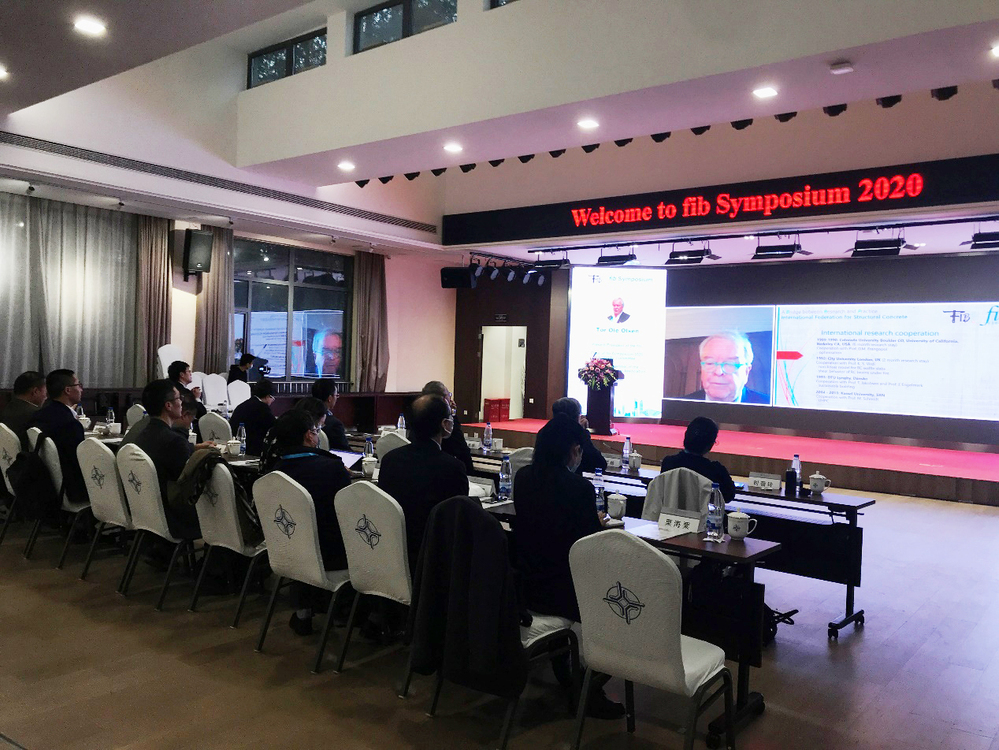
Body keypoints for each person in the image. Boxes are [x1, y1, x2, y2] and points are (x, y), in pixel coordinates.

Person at [511, 414, 621, 719]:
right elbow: (589, 546)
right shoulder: (579, 488)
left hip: (526, 587)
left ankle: (568, 670)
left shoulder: (523, 478)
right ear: (574, 450)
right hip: (565, 592)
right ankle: (585, 688)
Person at [265, 410, 351, 636]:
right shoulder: (332, 468)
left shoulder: (274, 472)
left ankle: (304, 612)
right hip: (330, 557)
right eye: (316, 430)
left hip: (287, 551)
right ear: (309, 436)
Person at [378, 394, 468, 575]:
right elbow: (458, 520)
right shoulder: (452, 467)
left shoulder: (390, 460)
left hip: (391, 551)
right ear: (445, 424)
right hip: (433, 560)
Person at [27, 369, 87, 504]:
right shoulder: (70, 424)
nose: (81, 389)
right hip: (71, 491)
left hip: (46, 485)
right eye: (78, 385)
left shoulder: (39, 415)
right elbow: (78, 464)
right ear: (68, 390)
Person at [659, 417, 737, 503]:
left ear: (686, 436)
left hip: (671, 512)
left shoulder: (668, 463)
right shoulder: (716, 470)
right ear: (710, 445)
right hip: (703, 512)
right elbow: (728, 496)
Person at [682, 331, 769, 404]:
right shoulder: (682, 405)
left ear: (746, 371)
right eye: (710, 363)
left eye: (730, 364)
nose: (718, 372)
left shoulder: (767, 406)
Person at [420, 380, 472, 473]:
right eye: (449, 395)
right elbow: (462, 451)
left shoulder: (418, 417)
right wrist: (452, 416)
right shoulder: (444, 424)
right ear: (444, 399)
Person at [551, 397, 607, 475]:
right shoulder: (576, 436)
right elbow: (599, 464)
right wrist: (583, 432)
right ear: (577, 417)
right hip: (570, 479)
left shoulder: (546, 433)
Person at [228, 379, 276, 457]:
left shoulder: (242, 405)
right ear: (268, 396)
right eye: (272, 399)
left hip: (236, 448)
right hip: (253, 450)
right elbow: (274, 427)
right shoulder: (263, 408)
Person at [1, 371, 47, 449]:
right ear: (35, 391)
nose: (46, 397)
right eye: (45, 392)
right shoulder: (36, 415)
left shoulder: (7, 408)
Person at [311, 379, 349, 452]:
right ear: (330, 398)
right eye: (336, 395)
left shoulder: (304, 416)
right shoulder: (334, 424)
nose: (336, 398)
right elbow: (345, 451)